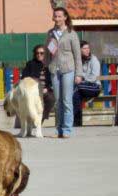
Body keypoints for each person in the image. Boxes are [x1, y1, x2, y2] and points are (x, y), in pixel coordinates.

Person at [45, 6, 83, 139]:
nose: (57, 18)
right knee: (58, 101)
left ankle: (67, 129)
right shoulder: (50, 33)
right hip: (54, 69)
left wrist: (79, 74)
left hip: (68, 69)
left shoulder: (71, 33)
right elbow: (48, 53)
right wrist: (47, 67)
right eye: (55, 16)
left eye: (59, 16)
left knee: (67, 100)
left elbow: (78, 55)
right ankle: (58, 129)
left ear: (65, 17)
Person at [22, 44, 56, 123]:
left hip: (45, 90)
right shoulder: (30, 64)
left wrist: (46, 88)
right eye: (37, 53)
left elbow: (52, 80)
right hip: (32, 90)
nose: (39, 55)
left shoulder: (50, 64)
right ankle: (32, 119)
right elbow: (24, 78)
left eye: (41, 53)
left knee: (51, 98)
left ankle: (41, 119)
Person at [73, 41, 102, 127]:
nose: (87, 50)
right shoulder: (77, 61)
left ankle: (73, 120)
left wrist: (82, 78)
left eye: (88, 48)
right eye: (84, 48)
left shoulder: (94, 60)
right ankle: (77, 122)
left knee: (76, 89)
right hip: (82, 88)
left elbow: (94, 77)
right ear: (79, 50)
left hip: (95, 87)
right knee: (76, 95)